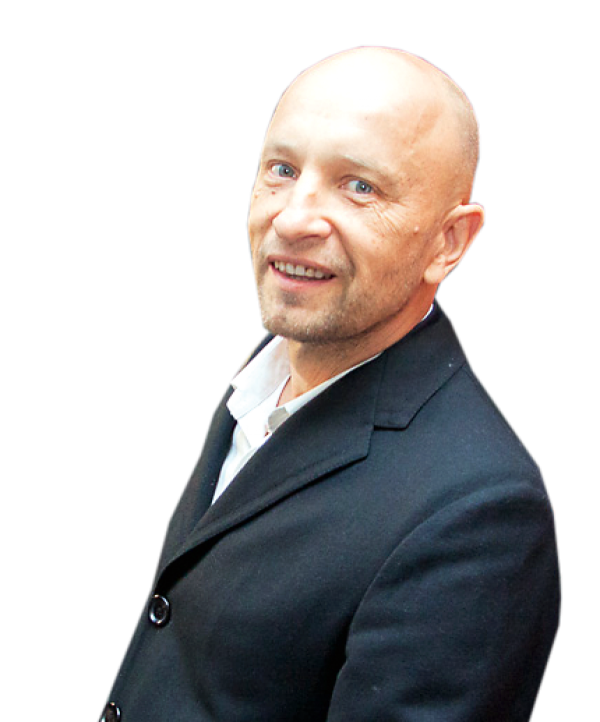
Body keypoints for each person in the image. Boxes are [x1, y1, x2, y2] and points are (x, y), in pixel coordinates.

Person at [99, 46, 561, 722]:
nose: (292, 218)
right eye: (282, 170)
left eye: (360, 187)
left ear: (450, 242)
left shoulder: (481, 514)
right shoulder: (268, 365)